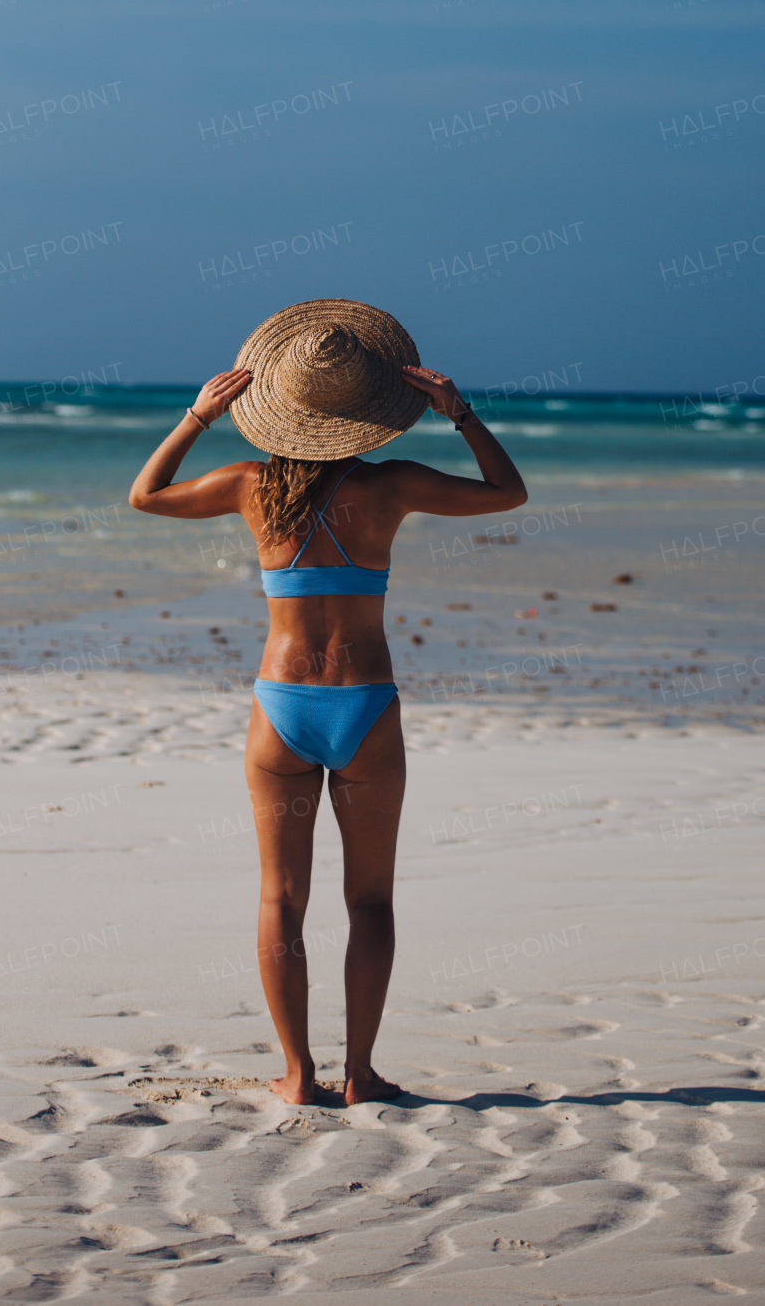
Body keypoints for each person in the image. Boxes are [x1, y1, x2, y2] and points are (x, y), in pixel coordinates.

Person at [129, 300, 527, 1106]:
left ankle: (297, 1073)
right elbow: (507, 491)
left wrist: (196, 416)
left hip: (283, 707)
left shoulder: (250, 487)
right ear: (372, 411)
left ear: (277, 405)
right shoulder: (392, 487)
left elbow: (146, 493)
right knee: (371, 898)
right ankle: (361, 1073)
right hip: (365, 707)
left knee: (281, 897)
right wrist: (462, 412)